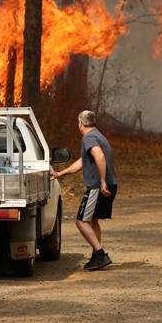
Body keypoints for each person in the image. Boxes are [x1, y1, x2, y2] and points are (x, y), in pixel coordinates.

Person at [51, 110, 117, 271]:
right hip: (110, 184)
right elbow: (82, 162)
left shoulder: (89, 138)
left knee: (81, 221)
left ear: (80, 123)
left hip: (98, 186)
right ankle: (96, 255)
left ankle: (100, 254)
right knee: (93, 220)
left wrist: (101, 181)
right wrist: (60, 173)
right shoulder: (98, 135)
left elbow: (99, 156)